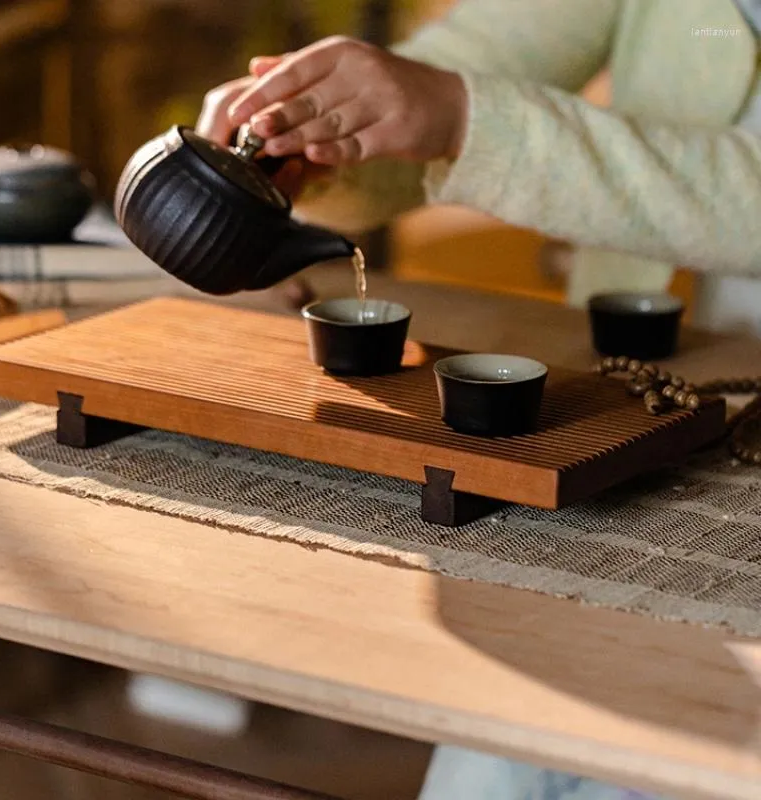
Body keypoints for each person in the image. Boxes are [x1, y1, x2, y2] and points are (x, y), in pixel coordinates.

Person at [195, 1, 761, 796]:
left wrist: (463, 115)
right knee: (497, 759)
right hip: (621, 412)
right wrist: (334, 134)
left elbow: (467, 104)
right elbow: (488, 54)